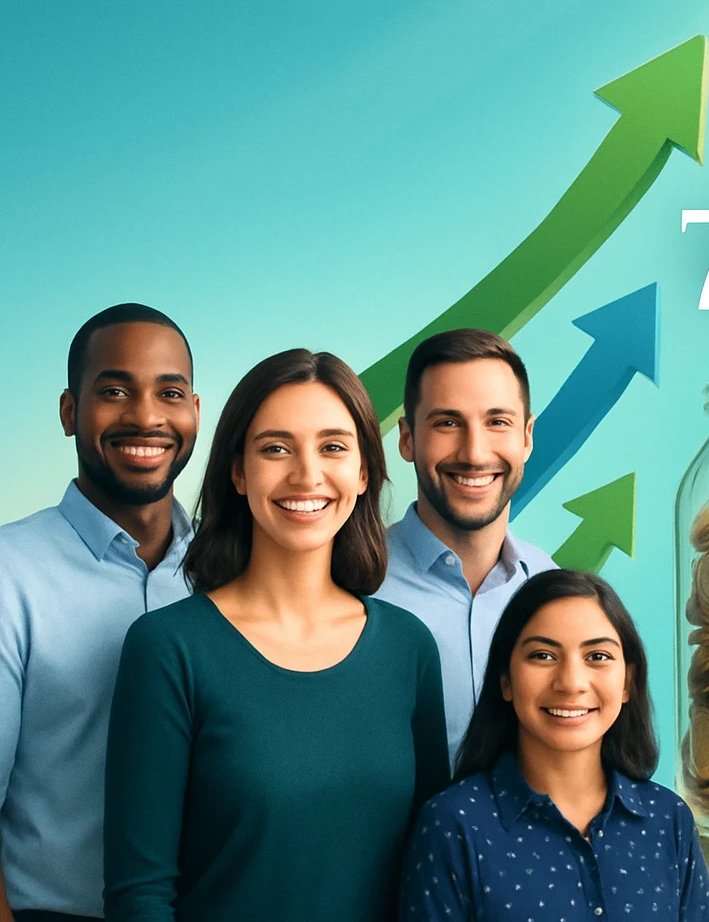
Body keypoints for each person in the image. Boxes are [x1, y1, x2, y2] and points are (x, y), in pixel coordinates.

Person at [103, 349, 449, 922]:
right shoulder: (168, 649)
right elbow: (140, 895)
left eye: (333, 447)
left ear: (364, 472)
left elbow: (430, 874)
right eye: (276, 448)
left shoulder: (409, 650)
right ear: (238, 471)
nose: (306, 474)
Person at [0, 304, 200, 922]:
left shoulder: (236, 574)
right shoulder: (10, 573)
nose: (145, 416)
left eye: (169, 393)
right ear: (69, 412)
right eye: (114, 391)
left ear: (195, 412)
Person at [399, 569, 709, 921]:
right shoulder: (452, 824)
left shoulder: (669, 819)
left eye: (597, 656)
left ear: (628, 682)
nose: (571, 683)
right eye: (543, 656)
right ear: (505, 680)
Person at [374, 330, 556, 764]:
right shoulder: (352, 580)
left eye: (498, 422)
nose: (475, 453)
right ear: (406, 439)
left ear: (526, 437)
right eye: (447, 423)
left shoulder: (551, 584)